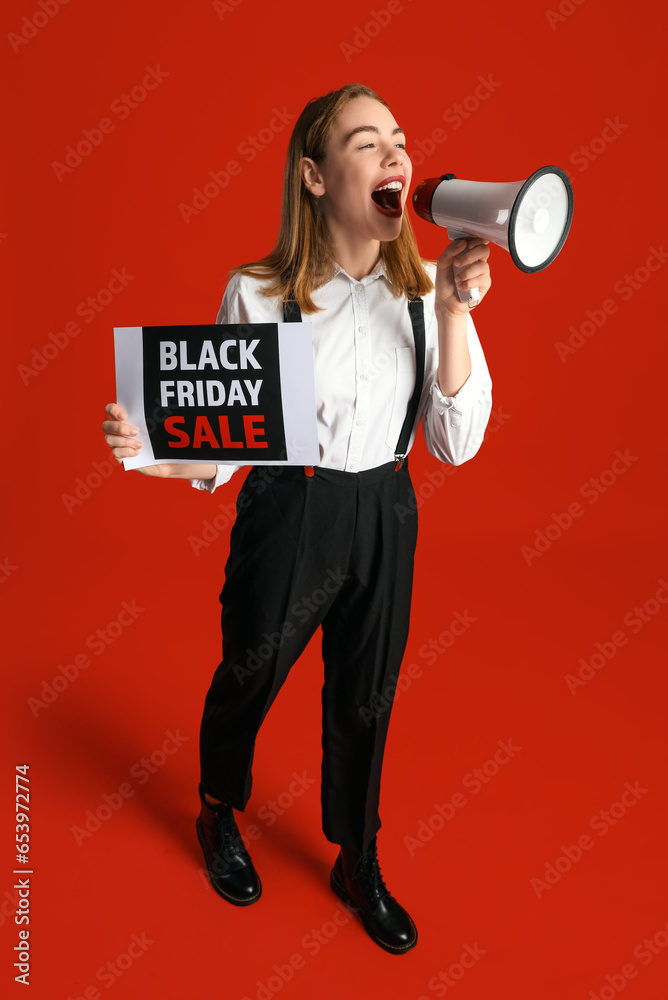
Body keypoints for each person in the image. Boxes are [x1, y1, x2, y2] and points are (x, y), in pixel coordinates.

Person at [102, 82, 493, 955]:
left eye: (400, 137)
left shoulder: (429, 291)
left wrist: (459, 316)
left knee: (368, 695)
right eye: (367, 143)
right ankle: (217, 808)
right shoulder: (258, 292)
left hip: (385, 506)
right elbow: (220, 446)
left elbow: (455, 443)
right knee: (251, 665)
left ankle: (359, 856)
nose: (396, 154)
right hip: (289, 505)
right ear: (315, 177)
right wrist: (144, 444)